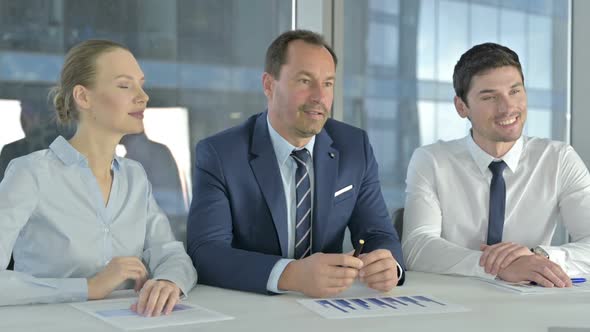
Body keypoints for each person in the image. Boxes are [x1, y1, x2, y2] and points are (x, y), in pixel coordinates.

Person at [187, 30, 404, 297]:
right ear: (269, 85)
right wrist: (290, 274)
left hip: (329, 308)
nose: (319, 97)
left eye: (328, 84)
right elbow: (205, 252)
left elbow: (378, 232)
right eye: (305, 81)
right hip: (250, 306)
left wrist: (388, 264)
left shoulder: (353, 146)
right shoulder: (221, 154)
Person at [0, 40, 197, 314]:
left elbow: (170, 252)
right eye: (125, 85)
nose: (143, 96)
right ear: (83, 97)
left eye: (141, 84)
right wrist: (88, 287)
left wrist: (168, 280)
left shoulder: (134, 176)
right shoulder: (30, 173)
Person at [402, 42, 590, 287]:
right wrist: (498, 267)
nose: (507, 107)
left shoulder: (559, 158)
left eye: (515, 91)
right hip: (454, 301)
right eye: (490, 97)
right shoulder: (431, 161)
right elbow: (416, 247)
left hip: (533, 304)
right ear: (461, 106)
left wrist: (537, 257)